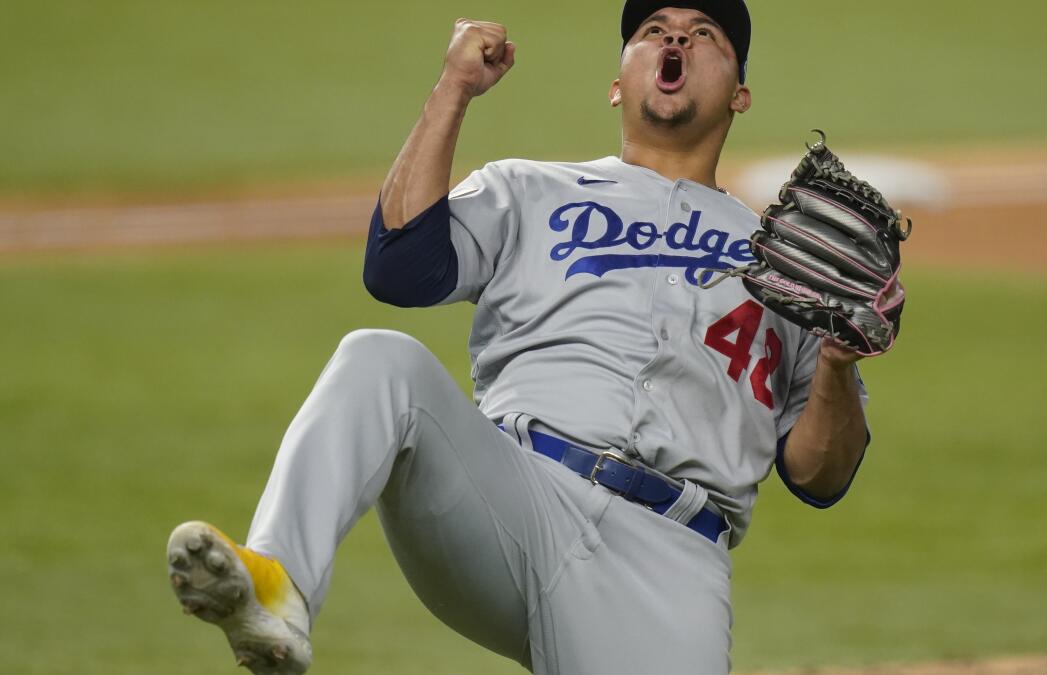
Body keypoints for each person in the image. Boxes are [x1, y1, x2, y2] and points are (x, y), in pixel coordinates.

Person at [165, 2, 874, 673]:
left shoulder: (787, 263)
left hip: (672, 556)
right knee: (379, 358)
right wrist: (453, 89)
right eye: (654, 28)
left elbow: (821, 475)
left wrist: (838, 361)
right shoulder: (530, 189)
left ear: (740, 95)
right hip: (513, 499)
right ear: (616, 85)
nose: (675, 39)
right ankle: (276, 585)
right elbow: (399, 267)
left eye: (704, 34)